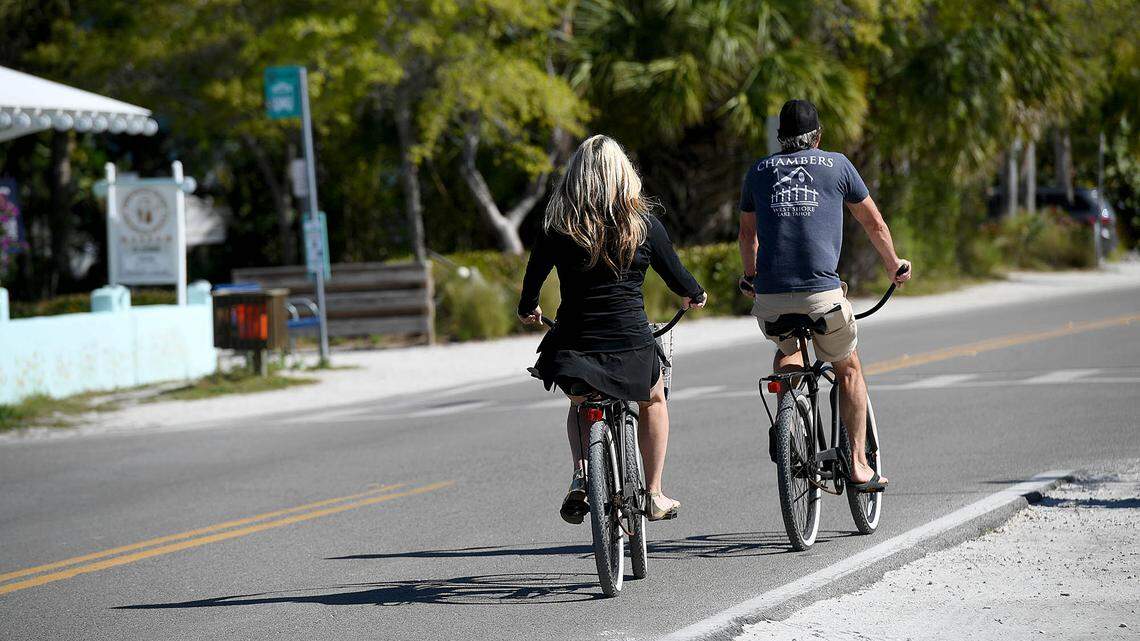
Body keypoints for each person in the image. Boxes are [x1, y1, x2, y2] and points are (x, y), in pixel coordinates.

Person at [518, 134, 707, 524]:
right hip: (630, 343)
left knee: (579, 402)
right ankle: (653, 492)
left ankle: (582, 474)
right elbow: (678, 277)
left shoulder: (558, 227)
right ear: (624, 176)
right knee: (654, 399)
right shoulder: (643, 225)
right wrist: (695, 295)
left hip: (574, 342)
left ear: (576, 178)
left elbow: (531, 282)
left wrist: (529, 310)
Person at [737, 99, 911, 492]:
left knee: (788, 351)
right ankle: (858, 464)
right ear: (818, 136)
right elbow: (874, 222)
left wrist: (751, 276)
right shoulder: (838, 165)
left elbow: (748, 236)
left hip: (771, 301)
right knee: (848, 369)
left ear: (780, 137)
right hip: (822, 298)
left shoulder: (758, 171)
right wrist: (892, 265)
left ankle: (791, 417)